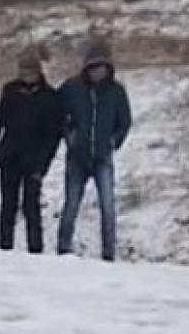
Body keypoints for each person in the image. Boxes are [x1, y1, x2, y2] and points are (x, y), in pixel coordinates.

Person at [0, 47, 65, 254]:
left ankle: (35, 250)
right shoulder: (10, 91)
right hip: (10, 156)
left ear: (38, 73)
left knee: (31, 206)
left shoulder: (49, 97)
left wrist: (43, 164)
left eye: (30, 72)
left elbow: (53, 136)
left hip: (34, 160)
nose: (26, 76)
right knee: (8, 205)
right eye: (23, 71)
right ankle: (4, 248)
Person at [56, 39, 132, 262]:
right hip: (77, 158)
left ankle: (109, 253)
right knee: (71, 203)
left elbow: (125, 121)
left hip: (102, 157)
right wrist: (69, 135)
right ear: (86, 67)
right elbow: (56, 113)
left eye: (102, 67)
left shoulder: (116, 92)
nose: (98, 72)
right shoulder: (72, 88)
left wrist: (113, 142)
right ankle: (63, 247)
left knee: (108, 206)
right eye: (94, 67)